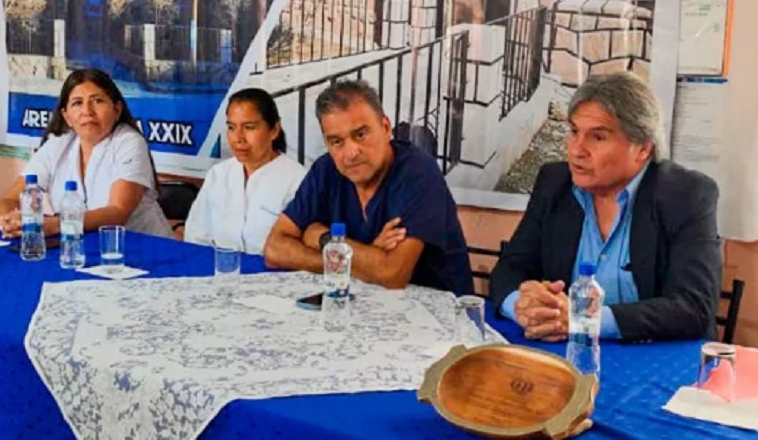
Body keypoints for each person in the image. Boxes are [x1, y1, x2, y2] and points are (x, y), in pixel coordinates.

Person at [490, 71, 721, 342]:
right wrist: (522, 304)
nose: (577, 150)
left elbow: (694, 308)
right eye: (574, 132)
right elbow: (510, 268)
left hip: (654, 361)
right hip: (567, 355)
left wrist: (584, 319)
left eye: (597, 137)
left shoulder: (686, 195)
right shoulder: (555, 183)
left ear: (643, 149)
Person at [263, 80, 473, 293]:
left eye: (361, 135)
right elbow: (274, 250)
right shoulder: (326, 169)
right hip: (359, 305)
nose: (351, 152)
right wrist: (356, 258)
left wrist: (322, 238)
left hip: (437, 313)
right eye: (337, 141)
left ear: (385, 127)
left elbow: (392, 274)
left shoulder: (417, 172)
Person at [0, 69, 172, 238]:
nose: (87, 111)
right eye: (77, 103)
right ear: (67, 116)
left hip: (142, 247)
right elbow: (11, 198)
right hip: (81, 247)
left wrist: (56, 224)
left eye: (97, 101)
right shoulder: (57, 145)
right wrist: (6, 220)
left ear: (116, 110)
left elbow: (117, 212)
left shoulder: (129, 142)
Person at [185, 88, 306, 254]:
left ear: (274, 130)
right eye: (231, 127)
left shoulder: (297, 180)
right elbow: (196, 237)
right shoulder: (219, 175)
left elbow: (298, 250)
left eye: (249, 127)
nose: (238, 138)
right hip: (219, 272)